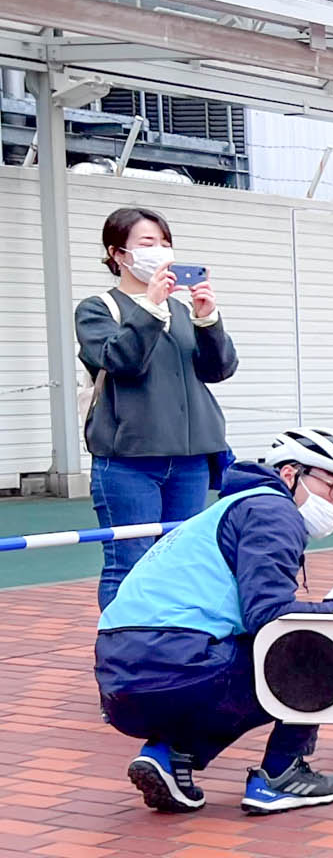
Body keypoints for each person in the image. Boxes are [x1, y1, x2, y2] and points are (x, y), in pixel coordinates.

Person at [94, 426, 333, 816]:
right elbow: (269, 615)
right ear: (289, 474)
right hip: (176, 662)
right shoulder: (273, 513)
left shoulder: (239, 506)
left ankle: (168, 756)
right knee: (317, 647)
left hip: (123, 679)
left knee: (246, 661)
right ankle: (282, 776)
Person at [78, 207, 240, 610]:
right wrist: (149, 307)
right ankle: (124, 648)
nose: (161, 252)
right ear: (118, 254)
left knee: (179, 560)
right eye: (148, 244)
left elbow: (218, 370)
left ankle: (170, 644)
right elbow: (122, 361)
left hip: (189, 459)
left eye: (165, 243)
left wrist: (208, 320)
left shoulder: (181, 311)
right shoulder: (99, 308)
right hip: (129, 459)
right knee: (128, 562)